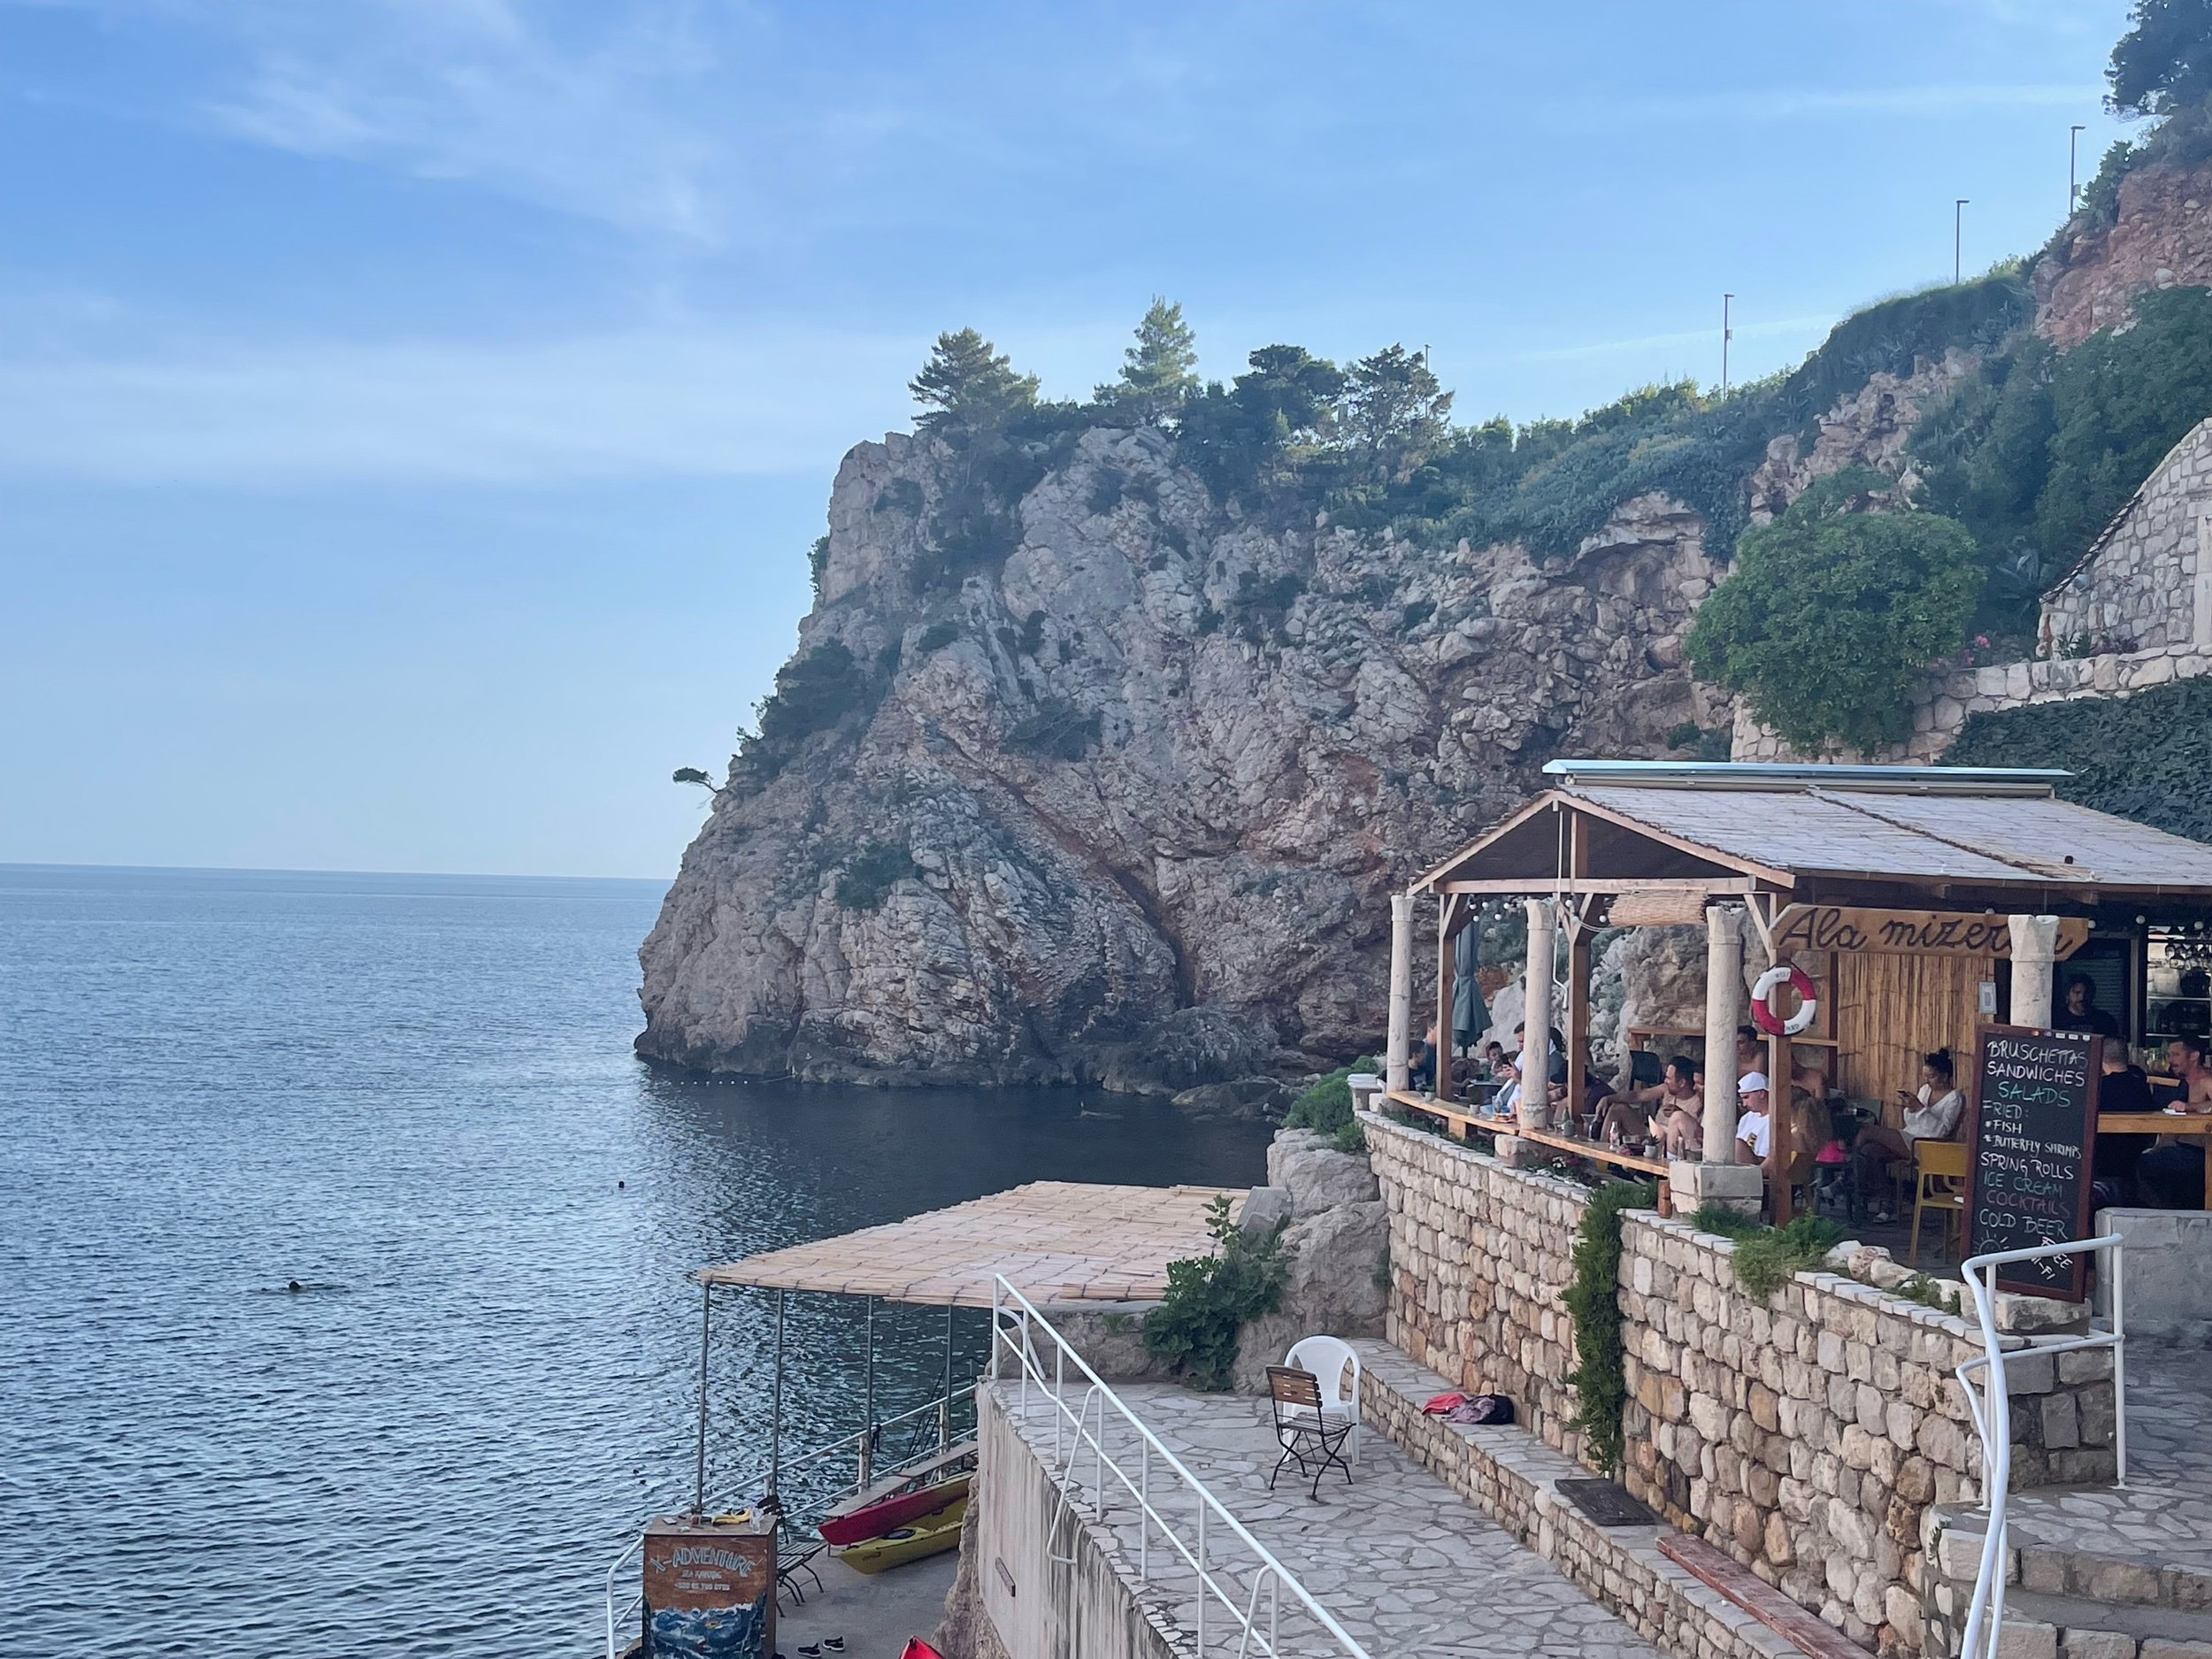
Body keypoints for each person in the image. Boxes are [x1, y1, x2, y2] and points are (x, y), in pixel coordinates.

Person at [1853, 1049, 1966, 1220]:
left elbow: (1941, 1132)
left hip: (1929, 1146)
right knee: (1870, 1151)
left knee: (1865, 1130)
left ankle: (1847, 1182)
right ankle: (1886, 1203)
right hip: (1910, 1137)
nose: (1927, 1080)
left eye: (1932, 1076)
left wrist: (1920, 1109)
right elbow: (1912, 1124)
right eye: (1925, 1076)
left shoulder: (1954, 1098)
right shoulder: (1925, 1090)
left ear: (1944, 1076)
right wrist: (1911, 1108)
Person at [2137, 1035, 2212, 1209]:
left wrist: (2190, 1106)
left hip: (2201, 1153)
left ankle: (2164, 1213)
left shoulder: (2206, 1080)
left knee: (2144, 1164)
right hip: (2179, 1147)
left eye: (2176, 1054)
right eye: (2169, 1055)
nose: (2171, 1060)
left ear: (2194, 1056)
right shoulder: (2177, 1083)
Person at [2092, 1047, 2156, 1207]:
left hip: (2101, 1158)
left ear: (2101, 1059)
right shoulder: (2141, 1087)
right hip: (2134, 1155)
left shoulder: (2097, 1087)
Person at [1596, 1056, 1699, 1152]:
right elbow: (1638, 1096)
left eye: (1669, 1078)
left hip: (1669, 1145)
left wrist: (1679, 1113)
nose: (1665, 1081)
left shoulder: (1697, 1102)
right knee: (1617, 1108)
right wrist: (1609, 1099)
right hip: (1651, 1135)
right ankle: (1601, 1155)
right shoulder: (1665, 1089)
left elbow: (1691, 1134)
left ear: (1682, 1083)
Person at [2055, 974, 2121, 1039]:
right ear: (2067, 995)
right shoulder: (2057, 1019)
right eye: (2077, 992)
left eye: (2086, 993)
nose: (2082, 998)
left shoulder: (2105, 1020)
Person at [1734, 1072, 1772, 1164]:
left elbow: (1764, 1158)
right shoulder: (1746, 1118)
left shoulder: (1774, 1120)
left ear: (1761, 1093)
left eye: (1747, 1097)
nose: (1744, 1104)